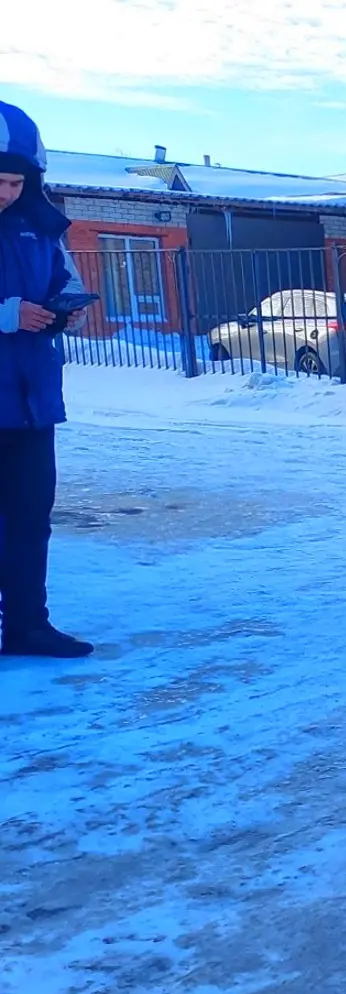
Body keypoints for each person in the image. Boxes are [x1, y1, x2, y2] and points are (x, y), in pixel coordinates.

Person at [0, 101, 92, 659]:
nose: (6, 193)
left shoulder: (39, 227)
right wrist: (5, 315)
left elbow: (66, 279)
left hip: (31, 403)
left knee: (31, 518)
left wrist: (68, 310)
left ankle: (28, 625)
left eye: (14, 181)